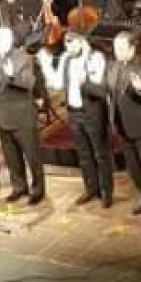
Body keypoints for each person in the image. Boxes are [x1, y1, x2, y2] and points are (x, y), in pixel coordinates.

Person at [87, 31, 141, 216]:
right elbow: (105, 89)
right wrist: (84, 82)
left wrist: (140, 90)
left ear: (132, 48)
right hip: (121, 125)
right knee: (133, 166)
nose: (117, 51)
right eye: (115, 48)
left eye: (122, 48)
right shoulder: (113, 66)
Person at [38, 32, 113, 207]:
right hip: (74, 112)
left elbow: (101, 87)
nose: (69, 47)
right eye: (67, 44)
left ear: (81, 42)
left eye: (72, 43)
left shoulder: (94, 57)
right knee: (83, 153)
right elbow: (57, 83)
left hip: (92, 111)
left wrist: (84, 80)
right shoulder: (66, 59)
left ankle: (106, 191)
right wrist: (46, 64)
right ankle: (91, 188)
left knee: (100, 153)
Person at [0, 26, 43, 203]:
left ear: (10, 41)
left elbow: (29, 83)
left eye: (2, 40)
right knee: (11, 156)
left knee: (32, 156)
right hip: (2, 116)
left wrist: (11, 76)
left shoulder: (23, 57)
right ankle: (19, 186)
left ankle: (38, 189)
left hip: (22, 116)